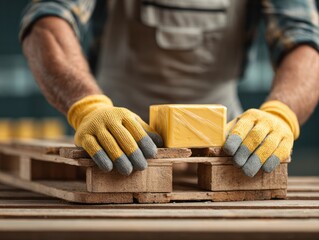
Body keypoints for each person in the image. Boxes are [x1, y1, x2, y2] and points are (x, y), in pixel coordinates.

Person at [20, 0, 319, 177]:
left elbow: (305, 42)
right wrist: (87, 107)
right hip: (113, 138)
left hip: (226, 148)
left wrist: (281, 114)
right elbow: (47, 20)